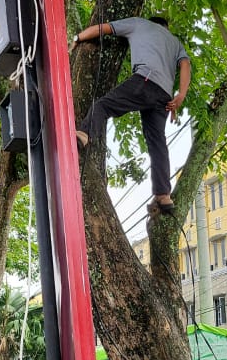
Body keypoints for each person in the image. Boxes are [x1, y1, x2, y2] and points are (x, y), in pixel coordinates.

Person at [73, 15, 191, 216]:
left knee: (103, 105)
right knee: (157, 144)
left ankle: (84, 135)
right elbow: (186, 64)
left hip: (144, 80)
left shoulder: (139, 23)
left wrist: (77, 38)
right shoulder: (174, 41)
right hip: (164, 96)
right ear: (166, 26)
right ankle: (163, 195)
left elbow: (104, 28)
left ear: (152, 22)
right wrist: (181, 95)